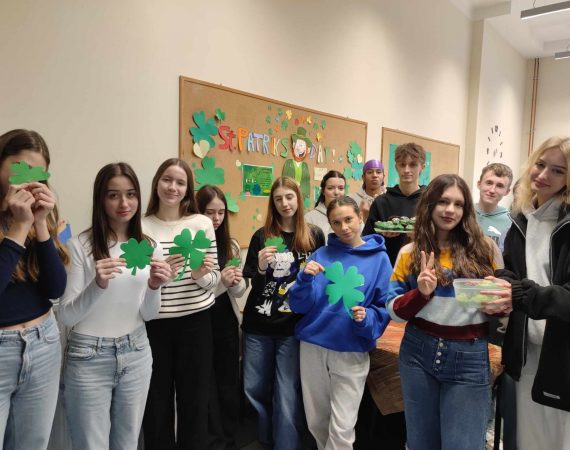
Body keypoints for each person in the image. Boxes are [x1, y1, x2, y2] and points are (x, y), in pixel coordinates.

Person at [386, 174, 510, 450]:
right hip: (417, 353)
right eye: (442, 201)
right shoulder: (410, 252)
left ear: (466, 209)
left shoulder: (485, 250)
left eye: (458, 204)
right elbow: (393, 311)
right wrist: (421, 294)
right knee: (421, 443)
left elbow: (502, 303)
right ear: (429, 204)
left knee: (463, 444)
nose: (450, 210)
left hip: (469, 356)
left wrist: (498, 304)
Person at [58, 162, 171, 449]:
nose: (124, 204)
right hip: (88, 357)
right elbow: (67, 315)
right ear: (100, 199)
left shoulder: (149, 246)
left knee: (127, 442)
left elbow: (149, 314)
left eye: (131, 194)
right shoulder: (80, 245)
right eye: (113, 195)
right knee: (91, 444)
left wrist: (154, 287)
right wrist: (97, 285)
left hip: (136, 351)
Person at [289, 196, 392, 449]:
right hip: (313, 346)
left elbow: (384, 307)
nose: (344, 227)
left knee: (342, 427)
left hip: (351, 349)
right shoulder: (321, 254)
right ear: (330, 225)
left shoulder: (379, 260)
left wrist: (367, 318)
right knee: (317, 421)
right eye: (336, 222)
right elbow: (300, 305)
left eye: (349, 219)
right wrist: (303, 280)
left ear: (360, 217)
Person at [496, 136, 570, 449]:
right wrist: (501, 281)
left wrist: (522, 295)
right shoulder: (521, 218)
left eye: (558, 170)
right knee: (528, 439)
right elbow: (513, 271)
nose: (543, 175)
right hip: (526, 351)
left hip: (562, 354)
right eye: (540, 164)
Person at [141, 158, 220, 450]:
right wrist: (159, 278)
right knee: (156, 403)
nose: (172, 187)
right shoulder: (141, 225)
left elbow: (214, 280)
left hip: (196, 324)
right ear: (156, 183)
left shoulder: (201, 224)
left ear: (188, 189)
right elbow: (134, 283)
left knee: (195, 402)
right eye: (167, 180)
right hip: (154, 325)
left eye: (180, 182)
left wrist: (200, 274)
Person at [242, 176, 325, 450]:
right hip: (258, 326)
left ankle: (285, 444)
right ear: (272, 203)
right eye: (278, 199)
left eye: (289, 197)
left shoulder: (314, 235)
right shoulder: (262, 236)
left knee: (287, 391)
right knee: (254, 388)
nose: (284, 203)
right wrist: (261, 268)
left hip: (293, 327)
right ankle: (266, 438)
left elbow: (320, 282)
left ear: (298, 199)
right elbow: (254, 284)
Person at [0, 129, 68, 450]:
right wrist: (19, 226)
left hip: (44, 342)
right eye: (19, 169)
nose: (28, 182)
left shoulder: (41, 216)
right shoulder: (18, 220)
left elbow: (55, 288)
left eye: (38, 174)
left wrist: (40, 223)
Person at [196, 184, 247, 450]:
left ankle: (229, 439)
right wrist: (222, 284)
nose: (216, 219)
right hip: (200, 320)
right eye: (209, 212)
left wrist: (235, 281)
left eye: (221, 212)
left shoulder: (231, 244)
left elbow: (238, 290)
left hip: (226, 320)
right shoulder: (193, 246)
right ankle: (212, 441)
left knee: (228, 382)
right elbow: (195, 290)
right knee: (206, 384)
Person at [363, 142, 426, 266]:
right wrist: (381, 235)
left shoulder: (429, 201)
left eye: (413, 165)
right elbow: (367, 239)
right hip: (388, 267)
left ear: (421, 167)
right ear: (396, 167)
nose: (406, 170)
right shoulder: (381, 202)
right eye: (402, 165)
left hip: (421, 267)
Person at [475, 162, 514, 252]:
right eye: (489, 183)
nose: (492, 190)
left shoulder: (511, 223)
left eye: (500, 186)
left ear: (507, 191)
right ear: (479, 184)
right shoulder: (464, 213)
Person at [305, 170, 346, 243]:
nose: (336, 192)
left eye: (341, 188)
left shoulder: (351, 215)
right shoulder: (309, 218)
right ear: (323, 191)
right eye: (330, 188)